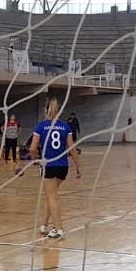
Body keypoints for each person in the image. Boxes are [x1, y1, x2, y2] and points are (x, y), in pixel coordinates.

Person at [30, 98, 81, 239]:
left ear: (46, 111)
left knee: (51, 197)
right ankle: (44, 225)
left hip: (49, 166)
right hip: (63, 166)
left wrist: (36, 160)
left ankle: (59, 229)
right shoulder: (65, 126)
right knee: (50, 195)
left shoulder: (41, 126)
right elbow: (72, 148)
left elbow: (32, 148)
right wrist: (78, 166)